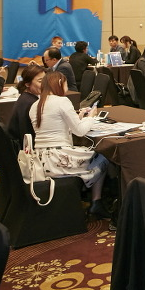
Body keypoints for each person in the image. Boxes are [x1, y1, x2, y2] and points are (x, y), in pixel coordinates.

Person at [29, 71, 110, 216]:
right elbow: (80, 131)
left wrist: (79, 116)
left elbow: (56, 125)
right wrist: (91, 117)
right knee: (103, 156)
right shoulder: (62, 102)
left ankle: (88, 195)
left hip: (41, 160)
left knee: (91, 152)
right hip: (58, 159)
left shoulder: (35, 104)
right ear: (60, 83)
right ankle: (96, 201)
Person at [7, 65, 45, 148]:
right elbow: (28, 134)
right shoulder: (31, 103)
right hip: (24, 148)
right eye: (40, 81)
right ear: (27, 84)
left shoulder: (25, 97)